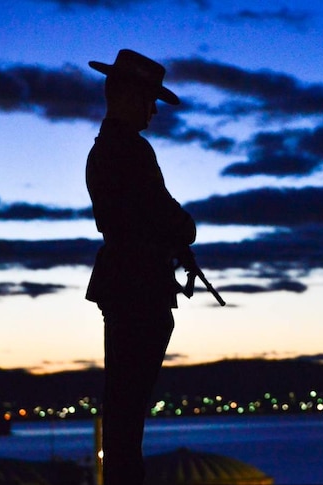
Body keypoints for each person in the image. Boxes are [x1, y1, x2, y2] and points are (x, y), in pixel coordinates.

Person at [85, 49, 196, 485]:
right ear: (128, 96)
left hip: (124, 286)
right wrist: (182, 230)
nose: (153, 110)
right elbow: (168, 217)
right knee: (128, 415)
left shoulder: (106, 150)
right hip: (137, 290)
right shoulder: (130, 150)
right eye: (149, 100)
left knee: (124, 415)